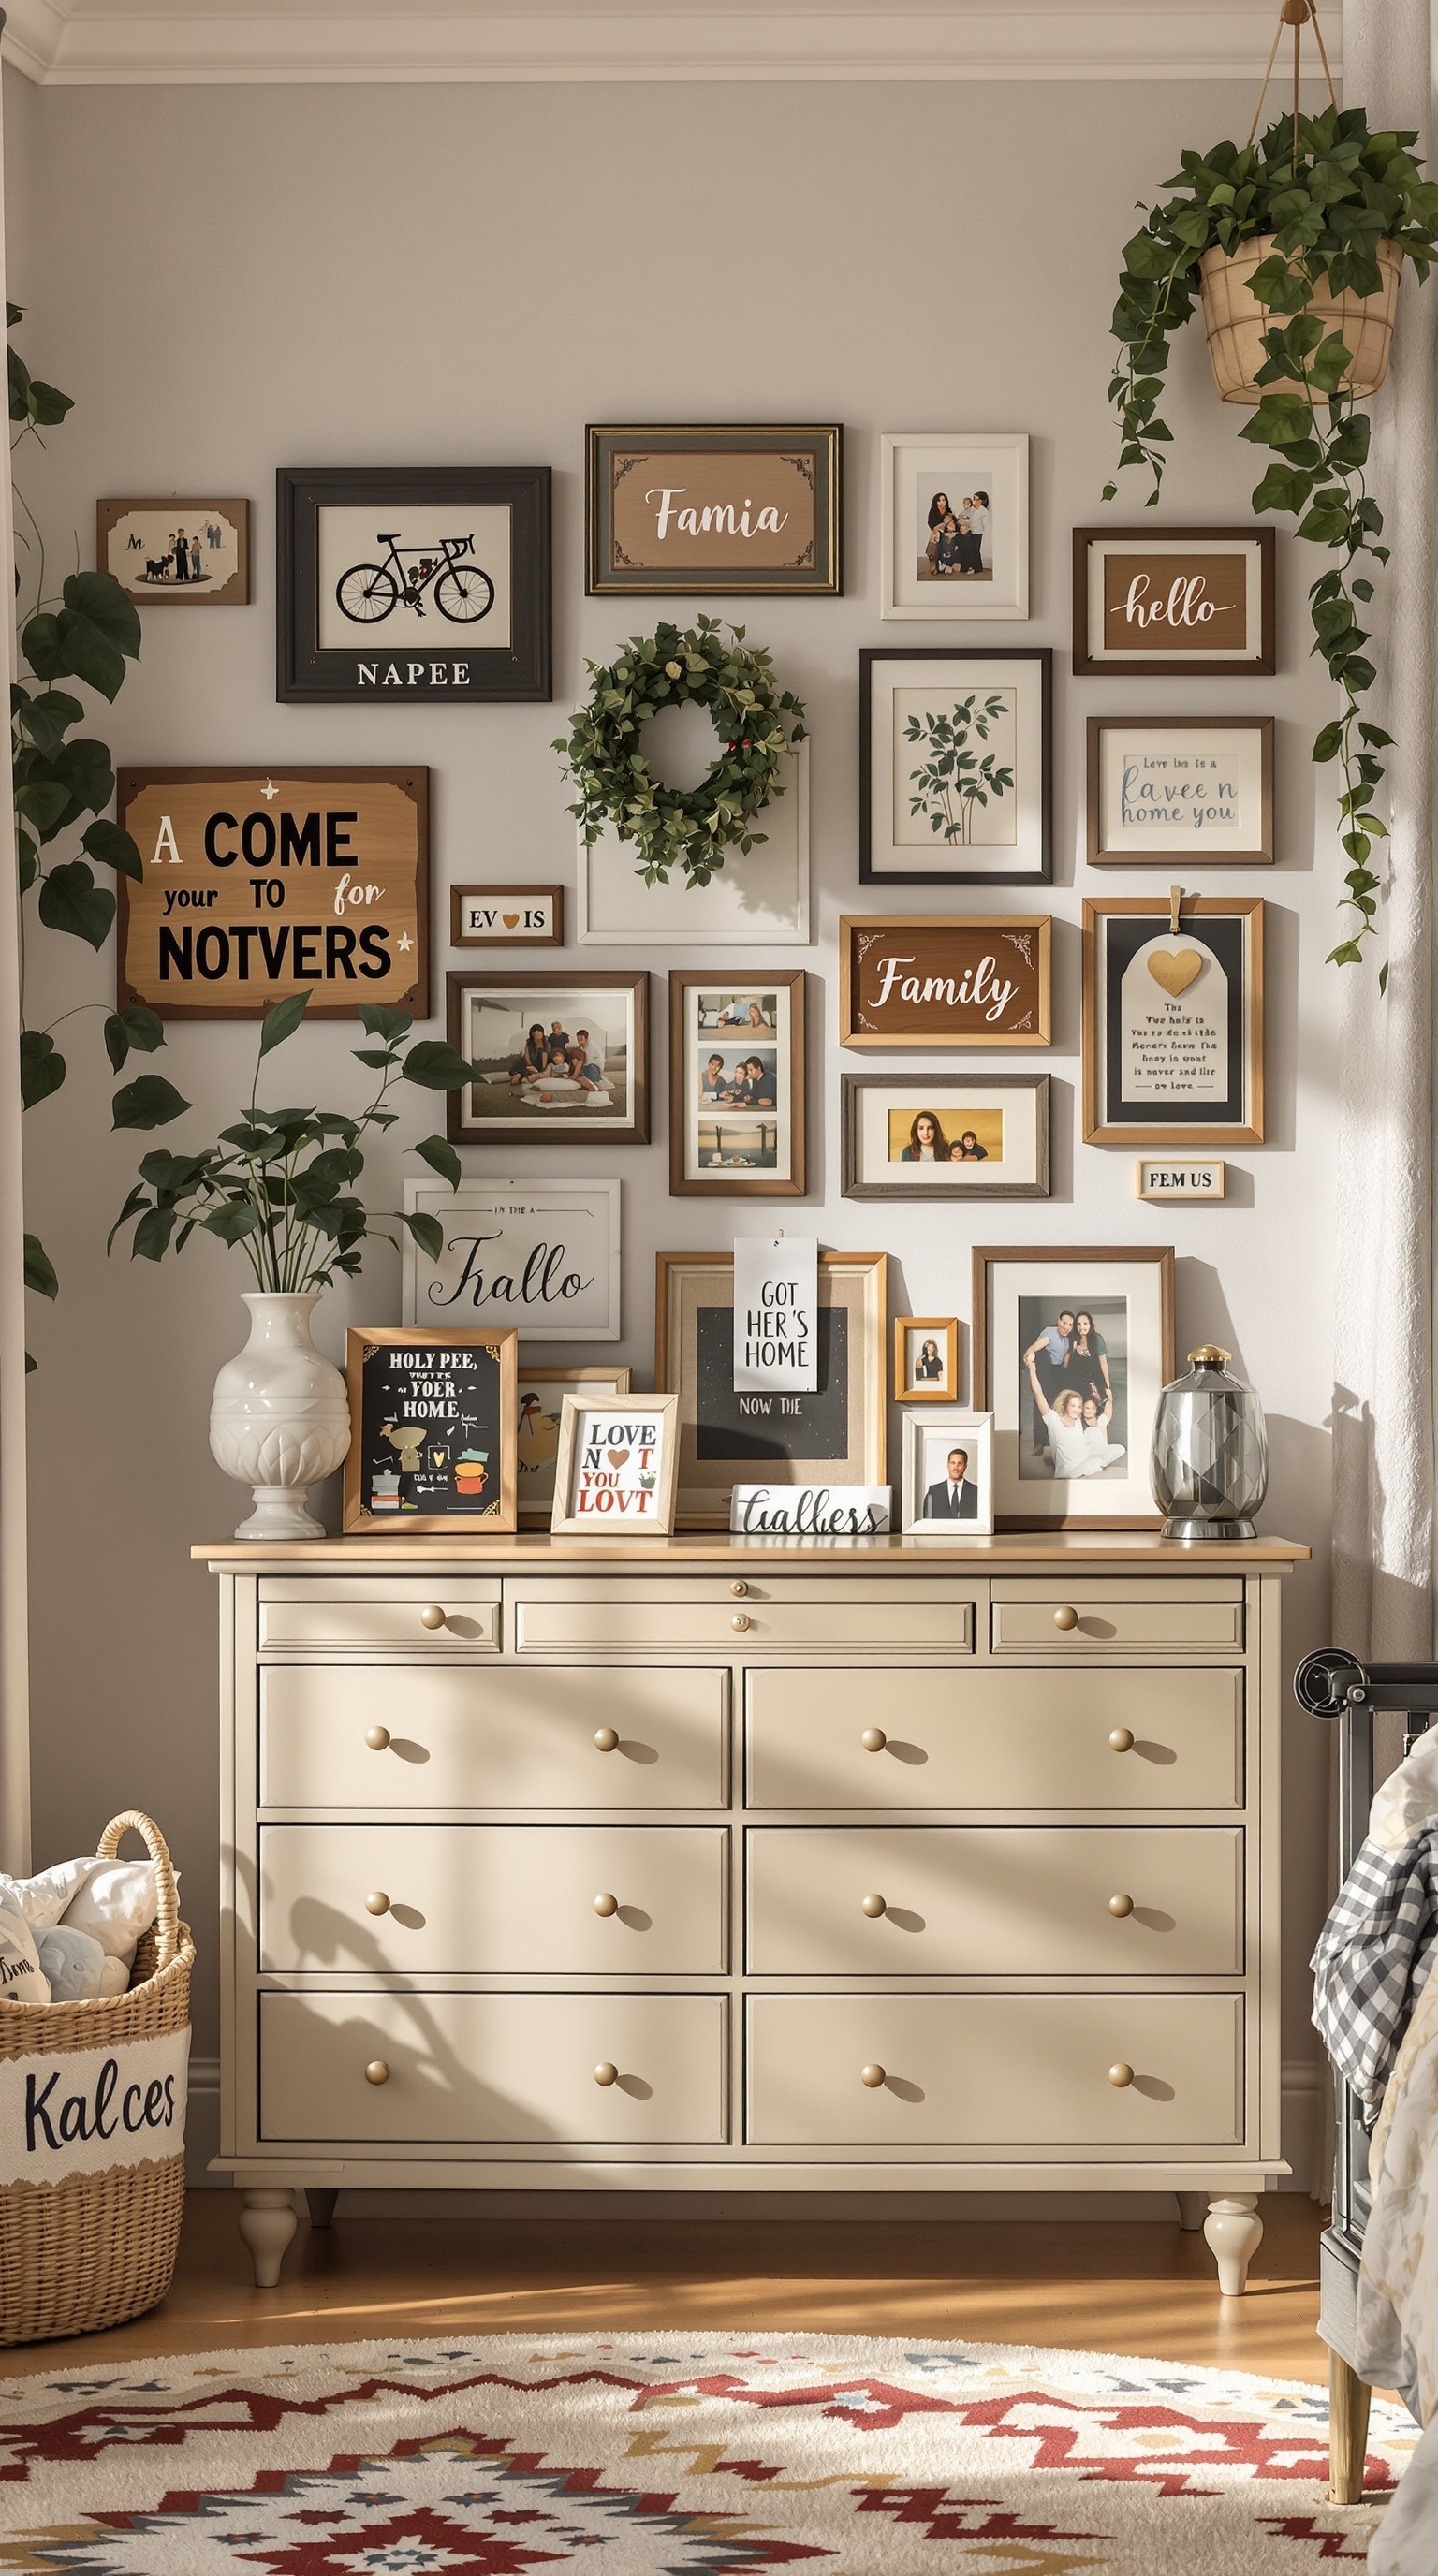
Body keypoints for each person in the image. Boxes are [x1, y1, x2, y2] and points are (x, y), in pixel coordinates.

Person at [1023, 1368, 1095, 1480]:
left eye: (1079, 1407)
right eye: (1073, 1406)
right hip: (1068, 1469)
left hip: (1082, 1461)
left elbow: (1095, 1407)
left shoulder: (1078, 1420)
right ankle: (1052, 1456)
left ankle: (1050, 1455)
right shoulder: (1053, 1418)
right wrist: (1032, 1370)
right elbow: (1038, 1394)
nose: (1077, 1410)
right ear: (1064, 1406)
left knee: (1118, 1450)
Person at [1023, 1310, 1075, 1454]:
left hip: (1060, 1372)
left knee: (1058, 1405)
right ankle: (1039, 1442)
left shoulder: (1070, 1337)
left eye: (1070, 1325)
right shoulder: (1049, 1333)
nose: (1066, 1327)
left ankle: (1057, 1441)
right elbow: (1034, 1347)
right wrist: (1029, 1355)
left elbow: (1071, 1349)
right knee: (1040, 1404)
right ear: (1059, 1321)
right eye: (1064, 1323)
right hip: (1047, 1371)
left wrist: (1068, 1355)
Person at [1063, 1310, 1112, 1412]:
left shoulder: (1097, 1339)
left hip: (1093, 1376)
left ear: (1090, 1324)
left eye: (1085, 1323)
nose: (1082, 1327)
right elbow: (1067, 1359)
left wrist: (1107, 1385)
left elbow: (1103, 1363)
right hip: (1076, 1376)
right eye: (1079, 1324)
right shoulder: (1074, 1338)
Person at [922, 1444, 977, 1519]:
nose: (956, 1467)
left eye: (960, 1463)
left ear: (965, 1466)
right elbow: (927, 1522)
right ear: (947, 1465)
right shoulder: (934, 1491)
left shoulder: (975, 1492)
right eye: (953, 1463)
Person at [1078, 1391, 1126, 1476]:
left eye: (1093, 1408)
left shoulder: (1099, 1421)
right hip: (1088, 1453)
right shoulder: (1079, 1423)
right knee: (1088, 1458)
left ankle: (1098, 1463)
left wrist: (1110, 1398)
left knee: (1120, 1448)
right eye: (1087, 1408)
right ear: (1082, 1409)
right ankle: (1094, 1464)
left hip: (1102, 1451)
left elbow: (1108, 1413)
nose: (1090, 1411)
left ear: (1096, 1410)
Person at [508, 1022, 548, 1088]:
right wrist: (530, 1066)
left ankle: (521, 1076)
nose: (538, 1034)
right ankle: (518, 1075)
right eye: (535, 1032)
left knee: (534, 1072)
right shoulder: (529, 1043)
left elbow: (544, 1058)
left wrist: (543, 1069)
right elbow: (527, 1056)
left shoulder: (545, 1043)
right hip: (527, 1063)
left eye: (539, 1032)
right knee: (522, 1064)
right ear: (532, 1034)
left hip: (538, 1064)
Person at [570, 1028, 607, 1094]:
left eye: (581, 1038)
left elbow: (600, 1060)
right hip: (584, 1068)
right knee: (579, 1074)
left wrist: (599, 1071)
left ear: (586, 1039)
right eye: (578, 1038)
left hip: (593, 1068)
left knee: (590, 1068)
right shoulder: (579, 1049)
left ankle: (591, 1084)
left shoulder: (592, 1046)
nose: (579, 1040)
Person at [962, 490, 990, 576]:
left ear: (981, 501)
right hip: (971, 531)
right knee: (971, 549)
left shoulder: (983, 511)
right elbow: (968, 518)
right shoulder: (972, 509)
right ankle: (972, 566)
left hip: (979, 532)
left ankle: (976, 567)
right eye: (973, 499)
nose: (974, 501)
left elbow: (985, 524)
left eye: (976, 499)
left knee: (975, 550)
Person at [924, 491, 952, 572]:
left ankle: (942, 563)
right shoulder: (933, 511)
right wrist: (942, 525)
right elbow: (931, 524)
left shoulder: (949, 511)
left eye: (943, 500)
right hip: (936, 532)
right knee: (935, 537)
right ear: (936, 502)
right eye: (939, 500)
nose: (942, 502)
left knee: (938, 537)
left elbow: (951, 524)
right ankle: (933, 563)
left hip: (946, 533)